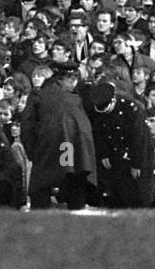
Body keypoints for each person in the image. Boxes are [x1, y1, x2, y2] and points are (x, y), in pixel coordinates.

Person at [19, 61, 98, 210]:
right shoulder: (75, 100)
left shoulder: (38, 95)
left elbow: (27, 127)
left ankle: (37, 223)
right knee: (75, 183)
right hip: (74, 151)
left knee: (41, 187)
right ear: (68, 79)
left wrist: (32, 153)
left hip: (47, 150)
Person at [83, 81, 155, 207]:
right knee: (117, 192)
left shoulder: (131, 108)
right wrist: (104, 153)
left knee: (139, 193)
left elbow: (139, 137)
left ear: (113, 101)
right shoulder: (97, 110)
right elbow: (99, 132)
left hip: (135, 153)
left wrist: (136, 163)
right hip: (114, 154)